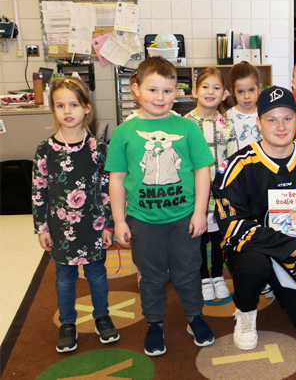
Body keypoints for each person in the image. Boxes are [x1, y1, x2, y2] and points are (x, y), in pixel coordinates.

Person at [212, 86, 296, 351]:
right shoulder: (237, 165)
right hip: (253, 254)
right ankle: (246, 310)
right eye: (271, 119)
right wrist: (283, 243)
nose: (280, 126)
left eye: (287, 118)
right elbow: (231, 226)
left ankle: (278, 285)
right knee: (253, 263)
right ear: (258, 123)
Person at [107, 57, 215, 356]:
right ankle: (154, 322)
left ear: (177, 93)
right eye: (153, 90)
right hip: (142, 220)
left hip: (184, 219)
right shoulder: (123, 133)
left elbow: (202, 170)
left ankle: (195, 316)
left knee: (188, 272)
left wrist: (199, 212)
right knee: (151, 275)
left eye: (168, 91)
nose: (160, 97)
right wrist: (119, 220)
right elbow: (117, 179)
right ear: (135, 90)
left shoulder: (187, 128)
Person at [32, 77, 119, 353]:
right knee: (64, 277)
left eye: (74, 104)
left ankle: (102, 317)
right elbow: (39, 190)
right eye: (60, 105)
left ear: (87, 108)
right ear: (53, 110)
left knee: (96, 274)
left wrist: (109, 224)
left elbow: (107, 189)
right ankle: (68, 323)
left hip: (93, 226)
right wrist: (41, 228)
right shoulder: (44, 150)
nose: (67, 111)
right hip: (61, 230)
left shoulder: (98, 149)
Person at [183, 67, 237, 301]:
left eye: (216, 87)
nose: (210, 92)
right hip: (194, 194)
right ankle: (203, 276)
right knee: (198, 237)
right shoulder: (184, 125)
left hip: (220, 193)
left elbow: (234, 158)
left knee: (218, 237)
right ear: (195, 91)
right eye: (205, 86)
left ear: (224, 94)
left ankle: (217, 275)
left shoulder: (226, 124)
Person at [226, 62, 262, 150]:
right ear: (233, 92)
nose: (247, 96)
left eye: (251, 90)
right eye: (240, 92)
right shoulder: (226, 117)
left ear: (259, 88)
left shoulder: (265, 115)